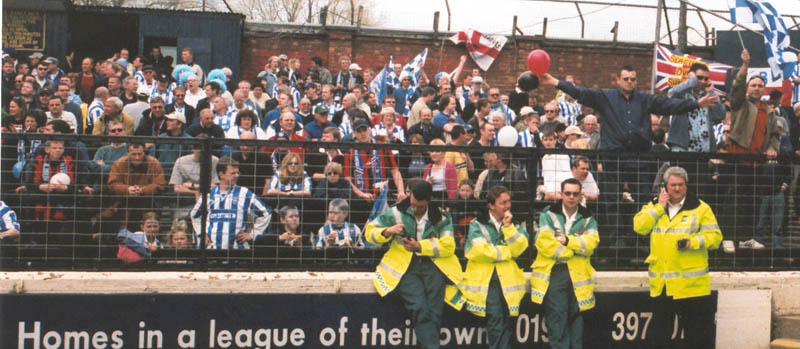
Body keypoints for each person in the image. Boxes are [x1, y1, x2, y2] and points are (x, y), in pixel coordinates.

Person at [364, 181, 464, 349]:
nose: (415, 209)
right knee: (419, 307)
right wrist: (387, 231)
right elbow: (369, 233)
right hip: (405, 268)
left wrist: (420, 246)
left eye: (420, 207)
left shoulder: (442, 217)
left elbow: (448, 246)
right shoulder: (395, 212)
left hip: (434, 266)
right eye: (413, 205)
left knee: (434, 311)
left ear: (429, 200)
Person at [633, 166, 722, 348]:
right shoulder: (654, 206)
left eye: (680, 185)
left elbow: (715, 238)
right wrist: (659, 208)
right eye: (673, 185)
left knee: (695, 337)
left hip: (692, 287)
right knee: (660, 336)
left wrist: (693, 242)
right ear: (665, 187)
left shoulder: (701, 208)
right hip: (663, 286)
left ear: (686, 186)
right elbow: (639, 226)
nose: (677, 189)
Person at [530, 178, 599, 349]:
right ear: (561, 194)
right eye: (567, 193)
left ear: (581, 195)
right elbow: (544, 243)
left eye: (575, 194)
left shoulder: (588, 216)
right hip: (556, 272)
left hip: (579, 275)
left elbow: (591, 244)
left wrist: (567, 241)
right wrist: (574, 249)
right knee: (557, 319)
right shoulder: (548, 214)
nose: (571, 197)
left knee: (577, 320)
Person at [463, 185, 529, 349]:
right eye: (502, 203)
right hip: (487, 280)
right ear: (491, 205)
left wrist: (508, 228)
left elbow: (520, 248)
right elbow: (480, 251)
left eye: (508, 201)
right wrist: (508, 253)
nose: (507, 206)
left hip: (508, 280)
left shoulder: (514, 223)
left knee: (505, 320)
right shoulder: (477, 224)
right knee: (496, 319)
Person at [191, 157, 272, 249]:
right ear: (221, 174)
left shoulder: (244, 193)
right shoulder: (209, 194)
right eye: (232, 173)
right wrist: (201, 234)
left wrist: (252, 234)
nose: (237, 175)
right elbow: (195, 215)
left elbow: (266, 213)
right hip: (212, 250)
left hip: (237, 251)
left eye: (238, 173)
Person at [666, 63, 726, 153]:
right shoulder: (682, 94)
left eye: (706, 78)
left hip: (704, 149)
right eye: (699, 77)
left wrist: (712, 92)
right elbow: (671, 94)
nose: (703, 81)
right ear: (692, 76)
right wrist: (692, 81)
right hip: (683, 147)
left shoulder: (707, 96)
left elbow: (720, 115)